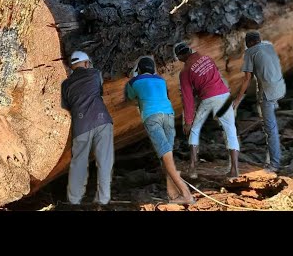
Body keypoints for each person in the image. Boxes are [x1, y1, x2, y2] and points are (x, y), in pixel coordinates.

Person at [125, 56, 194, 204]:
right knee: (167, 155)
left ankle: (186, 194)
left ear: (139, 70)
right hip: (168, 115)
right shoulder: (161, 80)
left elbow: (129, 98)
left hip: (152, 116)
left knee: (166, 156)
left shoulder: (134, 81)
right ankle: (173, 195)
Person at [174, 42, 240, 179]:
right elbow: (216, 76)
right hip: (224, 94)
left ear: (180, 57)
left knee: (194, 129)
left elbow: (188, 99)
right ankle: (234, 169)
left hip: (208, 98)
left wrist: (188, 121)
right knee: (230, 130)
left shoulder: (185, 72)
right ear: (189, 50)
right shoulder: (207, 58)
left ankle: (192, 168)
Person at [61, 51, 114, 205]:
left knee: (79, 162)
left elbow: (66, 106)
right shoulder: (95, 74)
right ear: (86, 63)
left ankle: (74, 199)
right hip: (102, 120)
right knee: (104, 161)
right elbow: (100, 91)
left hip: (81, 123)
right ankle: (103, 199)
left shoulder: (65, 84)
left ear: (72, 67)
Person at [233, 31, 286, 174]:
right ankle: (272, 107)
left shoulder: (250, 52)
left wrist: (237, 100)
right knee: (265, 102)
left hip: (268, 93)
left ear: (248, 43)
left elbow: (247, 79)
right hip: (280, 87)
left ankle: (274, 164)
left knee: (271, 130)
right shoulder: (268, 45)